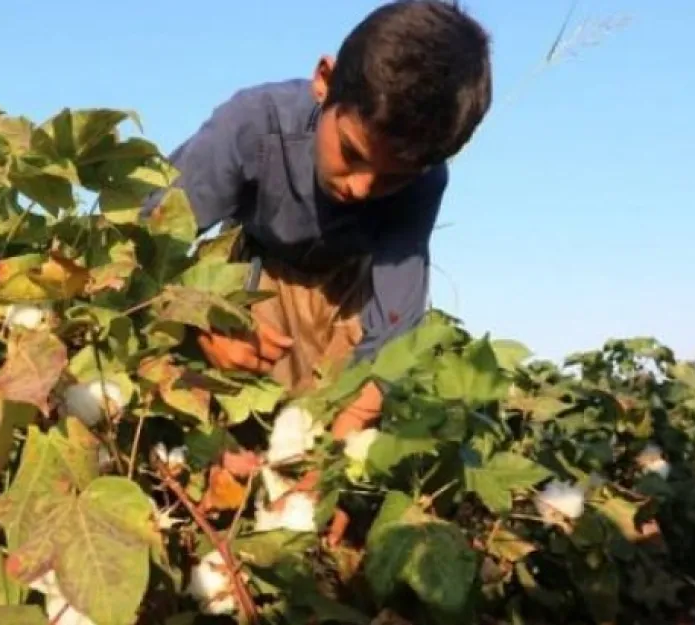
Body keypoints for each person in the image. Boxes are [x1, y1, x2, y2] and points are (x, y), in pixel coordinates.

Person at [144, 0, 492, 442]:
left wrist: (336, 457)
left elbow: (393, 332)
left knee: (351, 421)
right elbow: (149, 243)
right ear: (324, 82)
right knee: (224, 424)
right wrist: (200, 322)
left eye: (393, 178)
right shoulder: (253, 123)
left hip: (347, 296)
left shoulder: (424, 181)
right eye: (351, 153)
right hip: (253, 276)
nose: (362, 188)